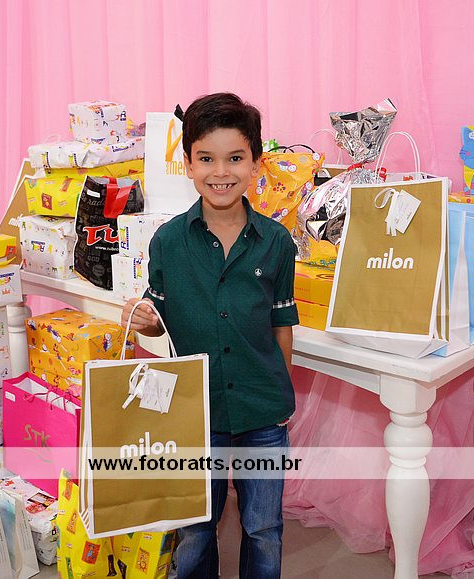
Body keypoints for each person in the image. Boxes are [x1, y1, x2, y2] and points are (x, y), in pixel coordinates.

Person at [121, 92, 298, 578]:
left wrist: (281, 395)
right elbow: (159, 317)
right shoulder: (168, 242)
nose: (221, 172)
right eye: (206, 159)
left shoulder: (277, 242)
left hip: (263, 413)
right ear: (188, 164)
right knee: (196, 528)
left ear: (256, 164)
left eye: (235, 158)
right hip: (194, 416)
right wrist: (143, 319)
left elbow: (282, 323)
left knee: (264, 527)